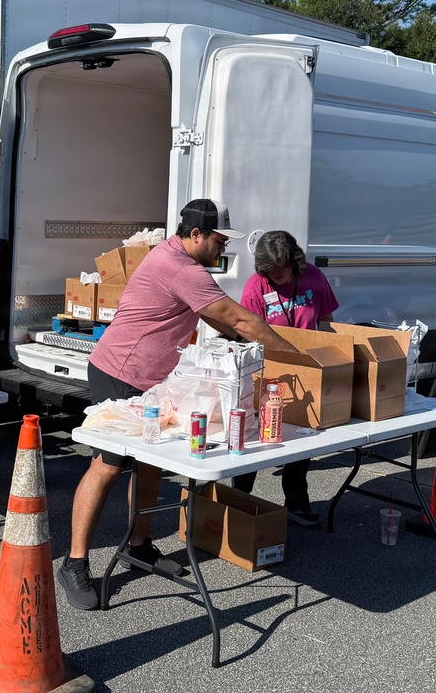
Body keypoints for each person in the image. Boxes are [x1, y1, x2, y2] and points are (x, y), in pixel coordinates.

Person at [57, 199, 299, 611]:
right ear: (195, 236)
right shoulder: (181, 268)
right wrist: (301, 359)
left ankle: (139, 545)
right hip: (119, 372)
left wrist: (244, 344)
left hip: (153, 378)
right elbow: (240, 320)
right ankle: (74, 562)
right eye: (219, 239)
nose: (224, 247)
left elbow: (216, 319)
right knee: (109, 464)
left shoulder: (178, 259)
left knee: (152, 460)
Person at [233, 230, 340, 528]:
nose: (275, 274)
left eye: (280, 267)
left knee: (301, 439)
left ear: (295, 260)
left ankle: (296, 503)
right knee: (253, 438)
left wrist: (330, 360)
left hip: (307, 367)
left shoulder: (314, 277)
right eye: (269, 270)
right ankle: (239, 500)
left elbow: (326, 324)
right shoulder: (256, 286)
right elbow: (248, 335)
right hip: (267, 370)